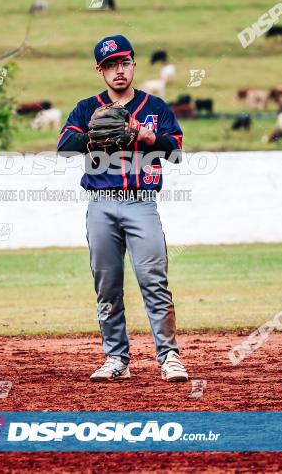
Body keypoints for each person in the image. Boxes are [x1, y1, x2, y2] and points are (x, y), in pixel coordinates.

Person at [57, 34, 188, 383]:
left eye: (124, 63)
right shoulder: (88, 108)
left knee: (153, 281)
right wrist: (93, 136)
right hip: (101, 204)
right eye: (110, 65)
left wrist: (149, 139)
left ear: (133, 65)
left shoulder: (155, 108)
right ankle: (116, 359)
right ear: (100, 70)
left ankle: (169, 357)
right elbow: (64, 147)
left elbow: (175, 152)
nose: (119, 70)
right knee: (107, 285)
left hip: (142, 204)